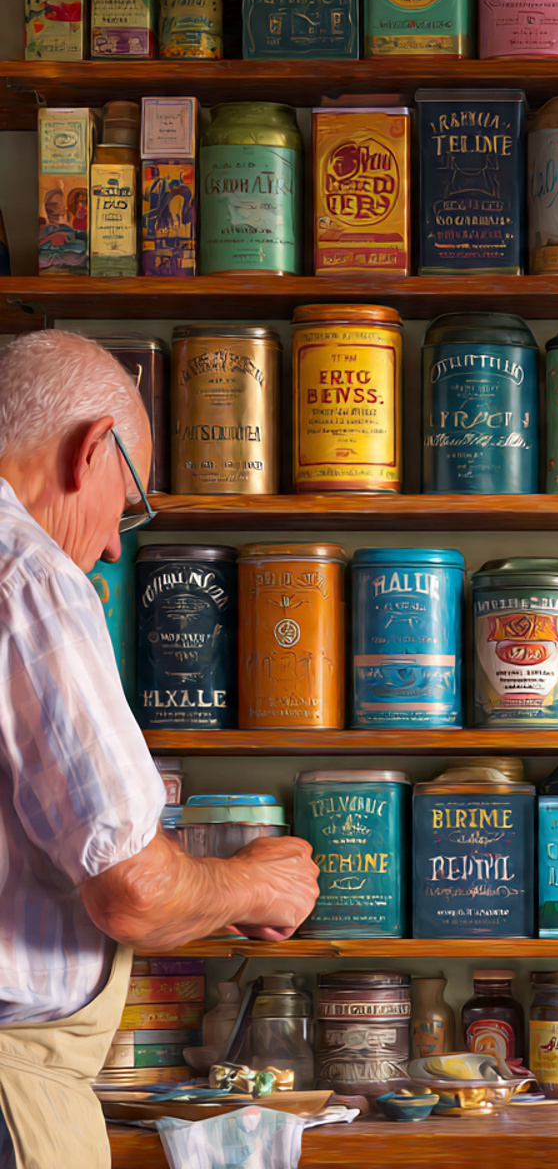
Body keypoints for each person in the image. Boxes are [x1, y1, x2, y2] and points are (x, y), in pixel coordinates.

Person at [0, 331, 319, 1169]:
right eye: (128, 498)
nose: (113, 545)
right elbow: (133, 894)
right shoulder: (29, 580)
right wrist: (253, 881)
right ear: (91, 447)